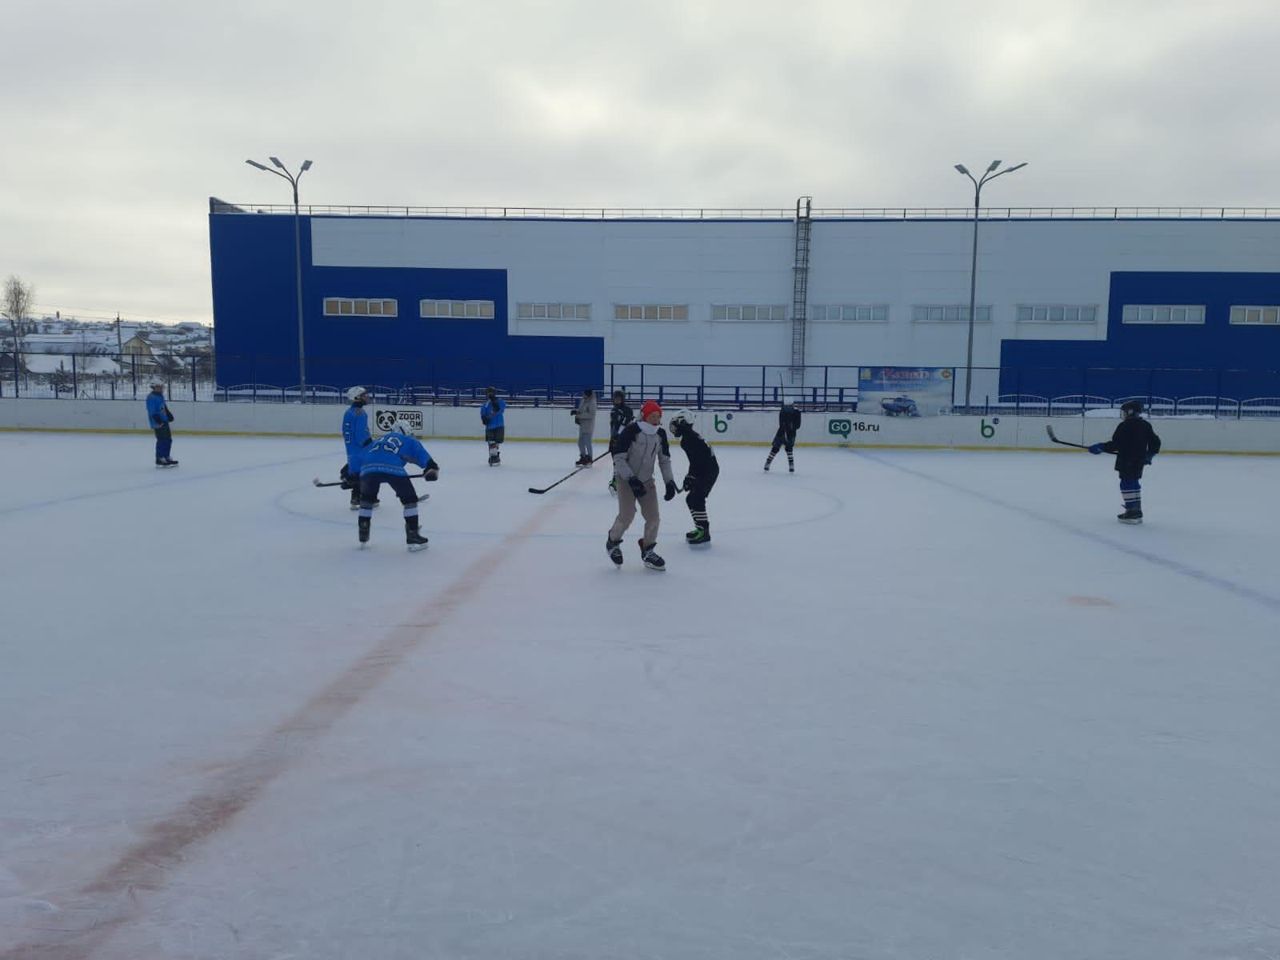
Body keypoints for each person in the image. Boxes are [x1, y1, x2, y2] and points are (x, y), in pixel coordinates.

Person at [606, 399, 678, 570]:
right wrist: (631, 479)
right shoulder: (632, 431)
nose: (655, 419)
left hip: (646, 481)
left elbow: (664, 460)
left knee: (653, 518)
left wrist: (669, 481)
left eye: (658, 416)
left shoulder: (660, 434)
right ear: (644, 416)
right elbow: (619, 458)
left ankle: (648, 549)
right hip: (626, 480)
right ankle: (613, 542)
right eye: (652, 415)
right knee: (627, 516)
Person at [357, 422, 439, 551]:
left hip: (367, 469)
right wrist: (431, 468)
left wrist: (350, 476)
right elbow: (421, 455)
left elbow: (359, 458)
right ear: (405, 431)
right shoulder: (407, 440)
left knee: (367, 499)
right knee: (410, 500)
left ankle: (363, 530)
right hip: (393, 468)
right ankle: (412, 534)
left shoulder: (377, 441)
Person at [1089, 400, 1162, 524]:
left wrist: (1101, 446)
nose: (1123, 415)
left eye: (1124, 412)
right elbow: (1156, 442)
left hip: (1126, 460)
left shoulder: (1125, 426)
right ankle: (1136, 510)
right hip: (1139, 460)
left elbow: (1116, 444)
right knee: (1134, 482)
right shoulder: (1145, 425)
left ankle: (1132, 511)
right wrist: (1149, 455)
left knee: (1126, 483)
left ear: (1130, 411)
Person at [669, 409, 719, 545]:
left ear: (682, 423)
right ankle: (701, 528)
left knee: (696, 498)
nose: (673, 428)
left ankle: (704, 531)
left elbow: (698, 461)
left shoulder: (688, 440)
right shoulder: (690, 437)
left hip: (708, 471)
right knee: (692, 498)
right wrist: (690, 477)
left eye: (675, 424)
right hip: (707, 470)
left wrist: (691, 477)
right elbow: (696, 461)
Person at [341, 386, 373, 509]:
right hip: (361, 449)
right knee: (368, 472)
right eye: (364, 395)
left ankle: (355, 498)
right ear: (357, 398)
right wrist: (370, 444)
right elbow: (361, 434)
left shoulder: (349, 412)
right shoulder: (360, 413)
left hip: (351, 449)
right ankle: (366, 498)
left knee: (355, 473)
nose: (367, 397)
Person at [607, 389, 635, 494]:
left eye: (619, 399)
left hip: (625, 440)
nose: (617, 400)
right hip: (614, 440)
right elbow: (614, 427)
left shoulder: (627, 410)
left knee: (625, 461)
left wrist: (619, 436)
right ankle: (616, 481)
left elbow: (627, 425)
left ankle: (624, 481)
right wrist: (613, 439)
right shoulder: (613, 410)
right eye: (615, 398)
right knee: (616, 462)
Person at [145, 381, 178, 467]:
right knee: (162, 440)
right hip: (158, 422)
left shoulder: (160, 396)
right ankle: (159, 458)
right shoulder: (151, 397)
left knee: (168, 439)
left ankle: (166, 456)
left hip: (164, 420)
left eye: (162, 387)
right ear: (154, 387)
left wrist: (169, 414)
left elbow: (163, 407)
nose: (161, 388)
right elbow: (152, 411)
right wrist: (158, 421)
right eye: (159, 387)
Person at [764, 398, 802, 472]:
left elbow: (798, 425)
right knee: (775, 448)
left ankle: (791, 465)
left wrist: (791, 426)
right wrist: (785, 424)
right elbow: (781, 423)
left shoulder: (797, 413)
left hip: (791, 433)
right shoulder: (782, 412)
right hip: (782, 432)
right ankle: (768, 463)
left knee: (789, 449)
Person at [480, 387, 506, 466]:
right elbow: (483, 413)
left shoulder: (500, 401)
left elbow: (501, 409)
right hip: (490, 426)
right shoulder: (485, 405)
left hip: (499, 425)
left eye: (491, 393)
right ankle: (493, 457)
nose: (490, 394)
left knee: (497, 442)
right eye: (488, 393)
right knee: (491, 442)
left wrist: (494, 403)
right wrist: (484, 419)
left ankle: (495, 454)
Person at [572, 387, 598, 467]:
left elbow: (591, 415)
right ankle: (583, 457)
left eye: (585, 394)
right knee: (580, 442)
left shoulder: (592, 403)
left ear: (588, 395)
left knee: (587, 442)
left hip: (588, 425)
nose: (583, 395)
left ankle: (589, 458)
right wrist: (576, 412)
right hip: (582, 425)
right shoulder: (583, 401)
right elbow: (581, 410)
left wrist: (579, 416)